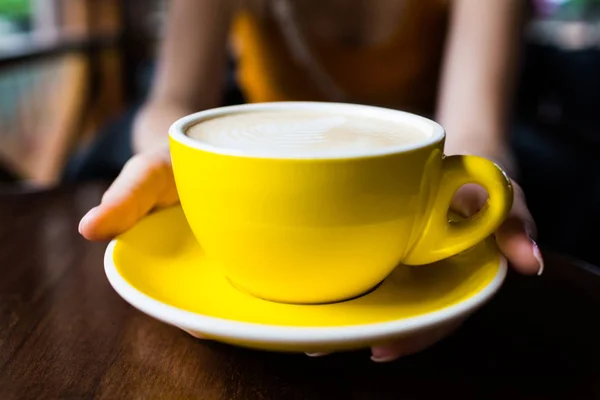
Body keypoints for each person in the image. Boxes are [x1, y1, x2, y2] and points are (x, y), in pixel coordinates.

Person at [79, 0, 543, 361]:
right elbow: (173, 99)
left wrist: (472, 193)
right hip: (259, 182)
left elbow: (475, 128)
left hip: (398, 188)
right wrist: (177, 156)